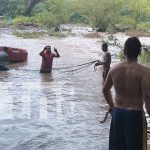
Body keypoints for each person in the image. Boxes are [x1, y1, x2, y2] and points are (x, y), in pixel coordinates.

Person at [103, 36, 150, 150]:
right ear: (139, 52)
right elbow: (147, 97)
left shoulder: (114, 69)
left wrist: (112, 106)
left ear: (125, 50)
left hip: (118, 113)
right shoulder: (145, 72)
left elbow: (105, 89)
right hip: (135, 115)